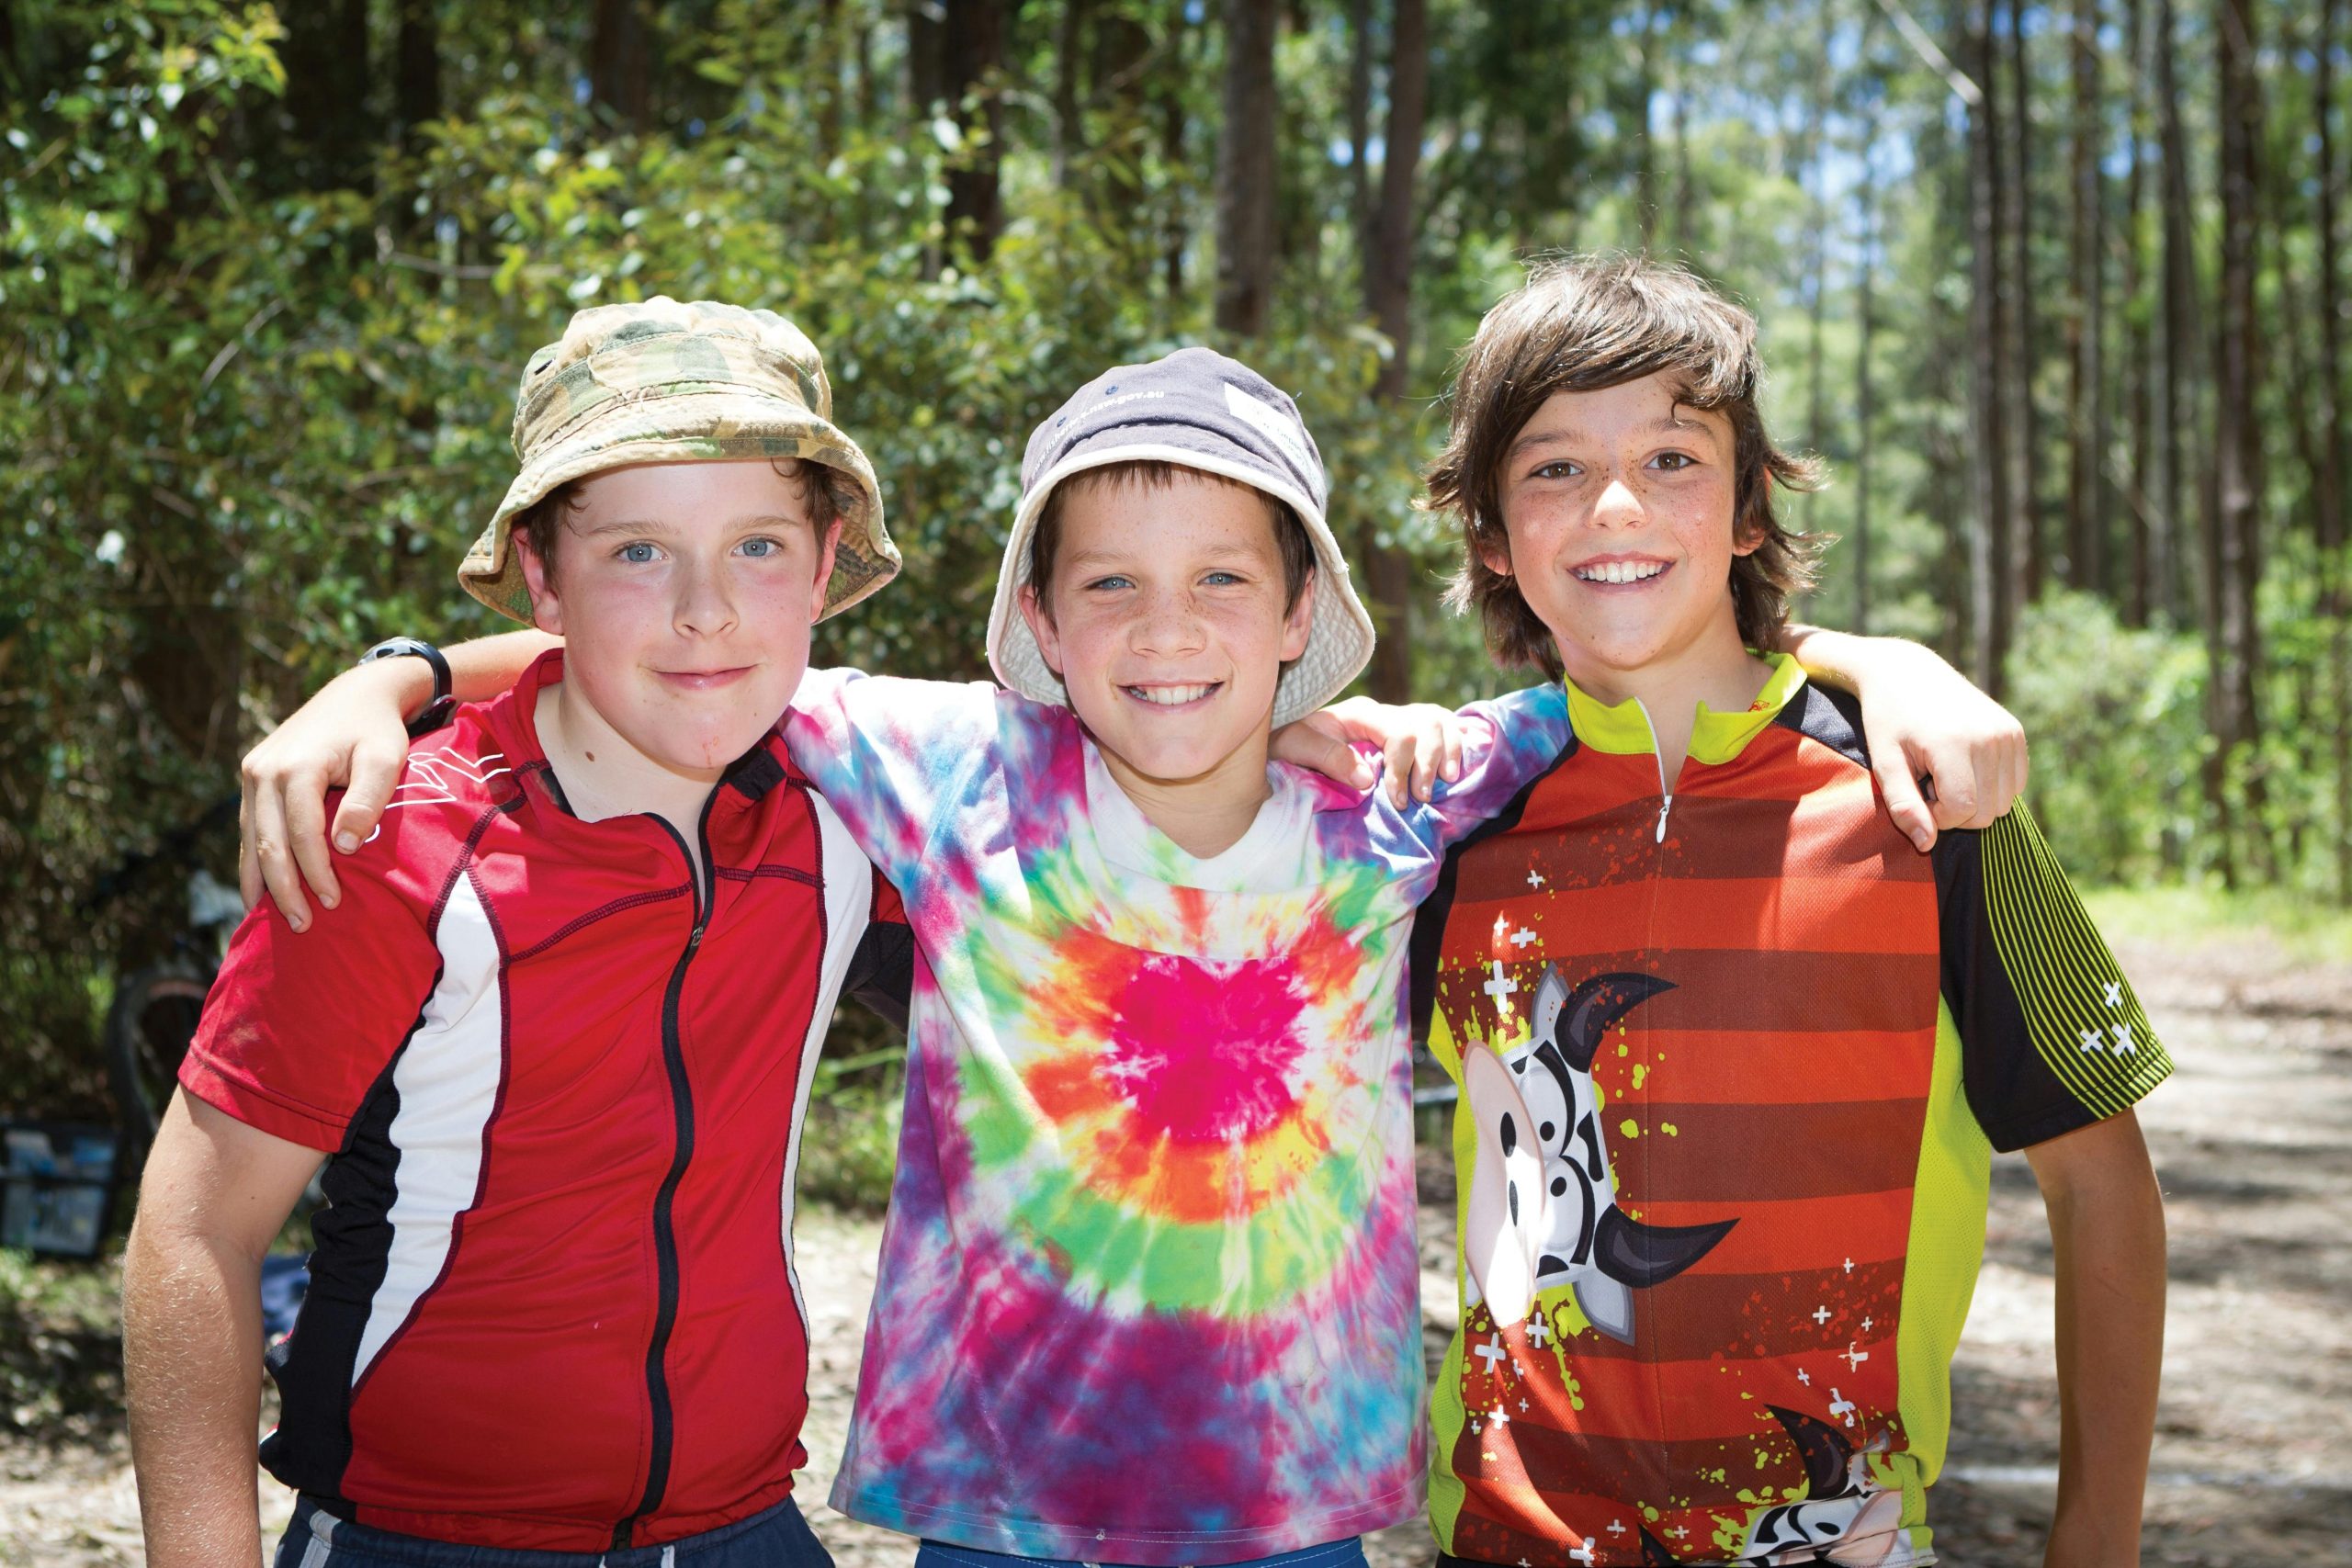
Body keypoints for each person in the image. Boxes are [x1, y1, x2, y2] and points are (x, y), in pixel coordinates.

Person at [238, 339, 2027, 1568]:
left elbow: (1659, 652)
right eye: (1108, 582)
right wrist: (389, 672)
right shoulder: (947, 766)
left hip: (1289, 1510)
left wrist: (1883, 660)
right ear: (1033, 613)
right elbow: (685, 653)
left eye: (1220, 583)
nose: (1164, 633)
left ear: (1304, 616)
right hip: (991, 1505)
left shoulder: (1406, 789)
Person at [122, 299, 916, 1566]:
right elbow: (196, 1231)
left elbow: (1147, 715)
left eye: (759, 546)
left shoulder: (861, 800)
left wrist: (1335, 735)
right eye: (638, 553)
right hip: (424, 1539)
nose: (707, 611)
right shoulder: (394, 839)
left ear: (828, 563)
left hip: (747, 1530)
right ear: (544, 574)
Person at [1407, 256, 2169, 1567]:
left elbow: (2101, 1186)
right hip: (1507, 1541)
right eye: (1550, 469)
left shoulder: (1928, 800)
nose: (1615, 505)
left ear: (1752, 506)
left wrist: (2094, 1544)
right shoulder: (1440, 828)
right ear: (1489, 531)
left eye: (1673, 457)